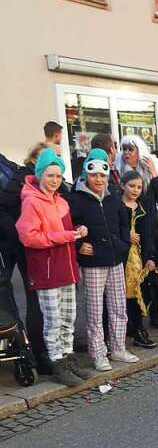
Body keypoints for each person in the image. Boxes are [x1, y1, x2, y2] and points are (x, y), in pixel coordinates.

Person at [15, 148, 89, 387]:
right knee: (53, 320)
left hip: (67, 269)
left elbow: (64, 232)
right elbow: (29, 237)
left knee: (69, 317)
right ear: (39, 175)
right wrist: (66, 236)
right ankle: (57, 362)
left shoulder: (62, 202)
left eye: (58, 176)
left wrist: (78, 231)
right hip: (47, 271)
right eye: (50, 176)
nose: (55, 181)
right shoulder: (31, 202)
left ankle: (68, 360)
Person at [69, 149, 138, 371]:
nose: (98, 179)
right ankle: (98, 353)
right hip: (92, 264)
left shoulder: (113, 197)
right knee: (95, 311)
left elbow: (122, 223)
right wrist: (79, 245)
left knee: (119, 306)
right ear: (86, 175)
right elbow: (67, 228)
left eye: (102, 175)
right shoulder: (76, 199)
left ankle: (118, 347)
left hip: (115, 259)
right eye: (94, 175)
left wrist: (122, 246)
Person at [0, 143, 49, 371]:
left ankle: (32, 349)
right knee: (9, 296)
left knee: (31, 297)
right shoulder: (19, 174)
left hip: (19, 241)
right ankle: (23, 345)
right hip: (10, 242)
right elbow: (6, 200)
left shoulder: (9, 166)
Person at [115, 135, 158, 326]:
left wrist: (154, 173)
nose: (127, 153)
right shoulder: (119, 173)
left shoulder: (148, 172)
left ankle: (154, 313)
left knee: (155, 264)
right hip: (130, 227)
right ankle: (133, 320)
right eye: (125, 149)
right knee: (131, 273)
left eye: (131, 149)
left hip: (151, 225)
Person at [120, 170, 158, 350]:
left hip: (139, 259)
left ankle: (139, 329)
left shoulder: (143, 207)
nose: (135, 190)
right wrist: (126, 235)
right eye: (132, 186)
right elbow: (112, 229)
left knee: (139, 293)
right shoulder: (117, 206)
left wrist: (150, 256)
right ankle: (124, 330)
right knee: (121, 296)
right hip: (121, 259)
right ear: (123, 186)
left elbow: (149, 234)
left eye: (139, 187)